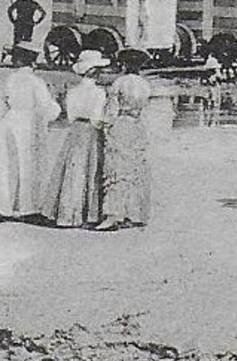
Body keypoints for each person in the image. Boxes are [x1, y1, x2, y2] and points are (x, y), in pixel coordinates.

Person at [0, 44, 60, 220]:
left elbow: (2, 102)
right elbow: (46, 107)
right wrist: (56, 109)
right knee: (28, 165)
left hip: (9, 121)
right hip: (28, 123)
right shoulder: (36, 82)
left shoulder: (10, 79)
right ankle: (28, 208)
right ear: (33, 61)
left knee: (5, 164)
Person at [38, 50, 110, 228]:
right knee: (91, 169)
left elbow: (69, 116)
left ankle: (67, 212)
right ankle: (89, 213)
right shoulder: (99, 93)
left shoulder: (73, 92)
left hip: (75, 130)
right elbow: (97, 117)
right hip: (91, 131)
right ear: (94, 71)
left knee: (72, 168)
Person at [96, 51, 155, 230]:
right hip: (137, 124)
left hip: (121, 124)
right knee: (135, 166)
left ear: (124, 64)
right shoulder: (145, 85)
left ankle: (113, 214)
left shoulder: (119, 83)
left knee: (115, 167)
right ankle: (134, 212)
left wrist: (104, 124)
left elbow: (112, 109)